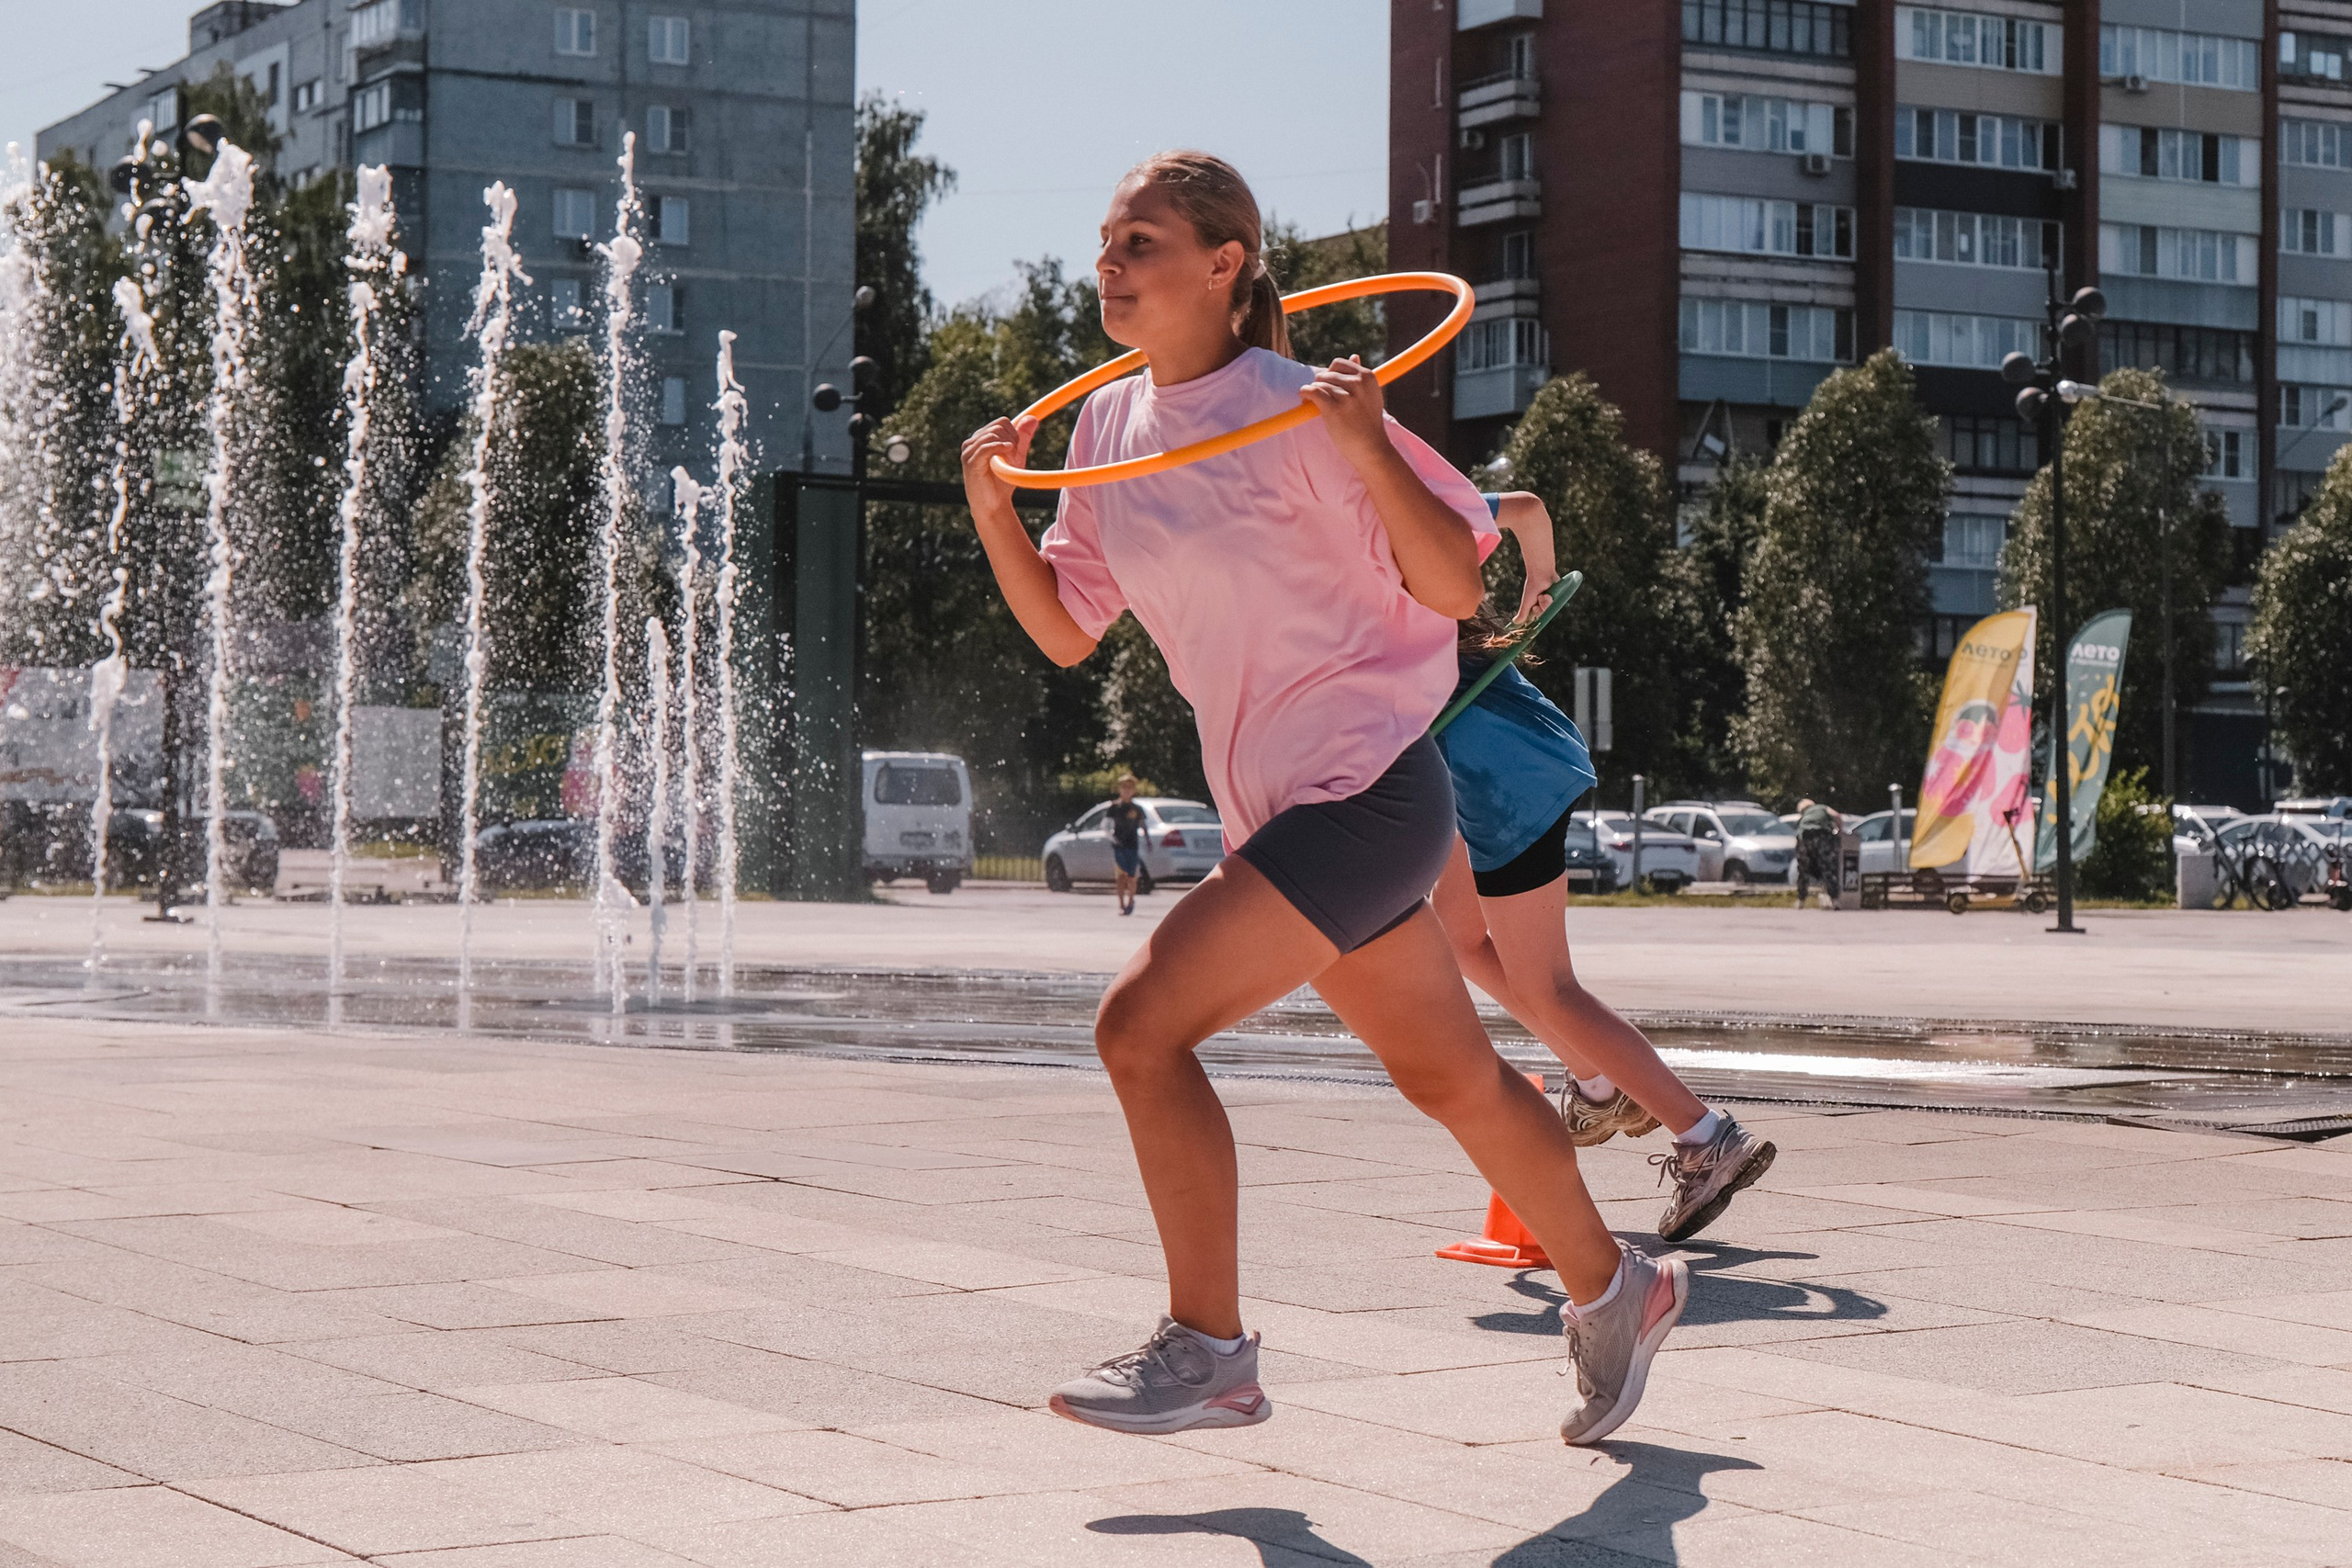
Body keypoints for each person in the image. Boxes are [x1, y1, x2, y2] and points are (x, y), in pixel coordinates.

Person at [960, 151, 1685, 1446]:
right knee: (1452, 1072)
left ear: (1226, 264)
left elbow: (1460, 591)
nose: (1108, 267)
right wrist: (990, 509)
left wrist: (1364, 441)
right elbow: (1070, 629)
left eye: (1140, 243)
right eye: (1107, 244)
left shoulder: (1308, 407)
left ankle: (1212, 1348)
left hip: (1366, 792)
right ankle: (1616, 1281)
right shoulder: (1108, 427)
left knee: (1139, 1026)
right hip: (1279, 806)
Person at [1430, 491, 1775, 1244]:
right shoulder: (1416, 505)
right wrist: (1539, 577)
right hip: (1492, 763)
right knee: (1457, 935)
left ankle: (1703, 1133)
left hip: (1503, 780)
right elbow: (1524, 507)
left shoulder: (1365, 539)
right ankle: (1594, 1082)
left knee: (1546, 985)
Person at [1108, 773, 1148, 915]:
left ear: (1134, 790)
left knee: (1132, 876)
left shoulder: (1136, 809)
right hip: (1119, 845)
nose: (1127, 790)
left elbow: (1143, 825)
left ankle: (1131, 900)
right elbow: (1106, 825)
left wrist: (1148, 841)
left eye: (1130, 787)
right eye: (1124, 787)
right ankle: (1121, 904)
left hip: (1132, 845)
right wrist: (1111, 838)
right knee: (1120, 876)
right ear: (1120, 789)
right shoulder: (1114, 807)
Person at [1794, 797, 1842, 908]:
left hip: (1805, 840)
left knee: (1803, 871)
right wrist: (1839, 830)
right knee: (1828, 868)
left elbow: (1798, 835)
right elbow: (1837, 816)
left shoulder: (1804, 817)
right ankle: (1834, 900)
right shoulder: (1822, 808)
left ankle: (1801, 901)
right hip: (1822, 837)